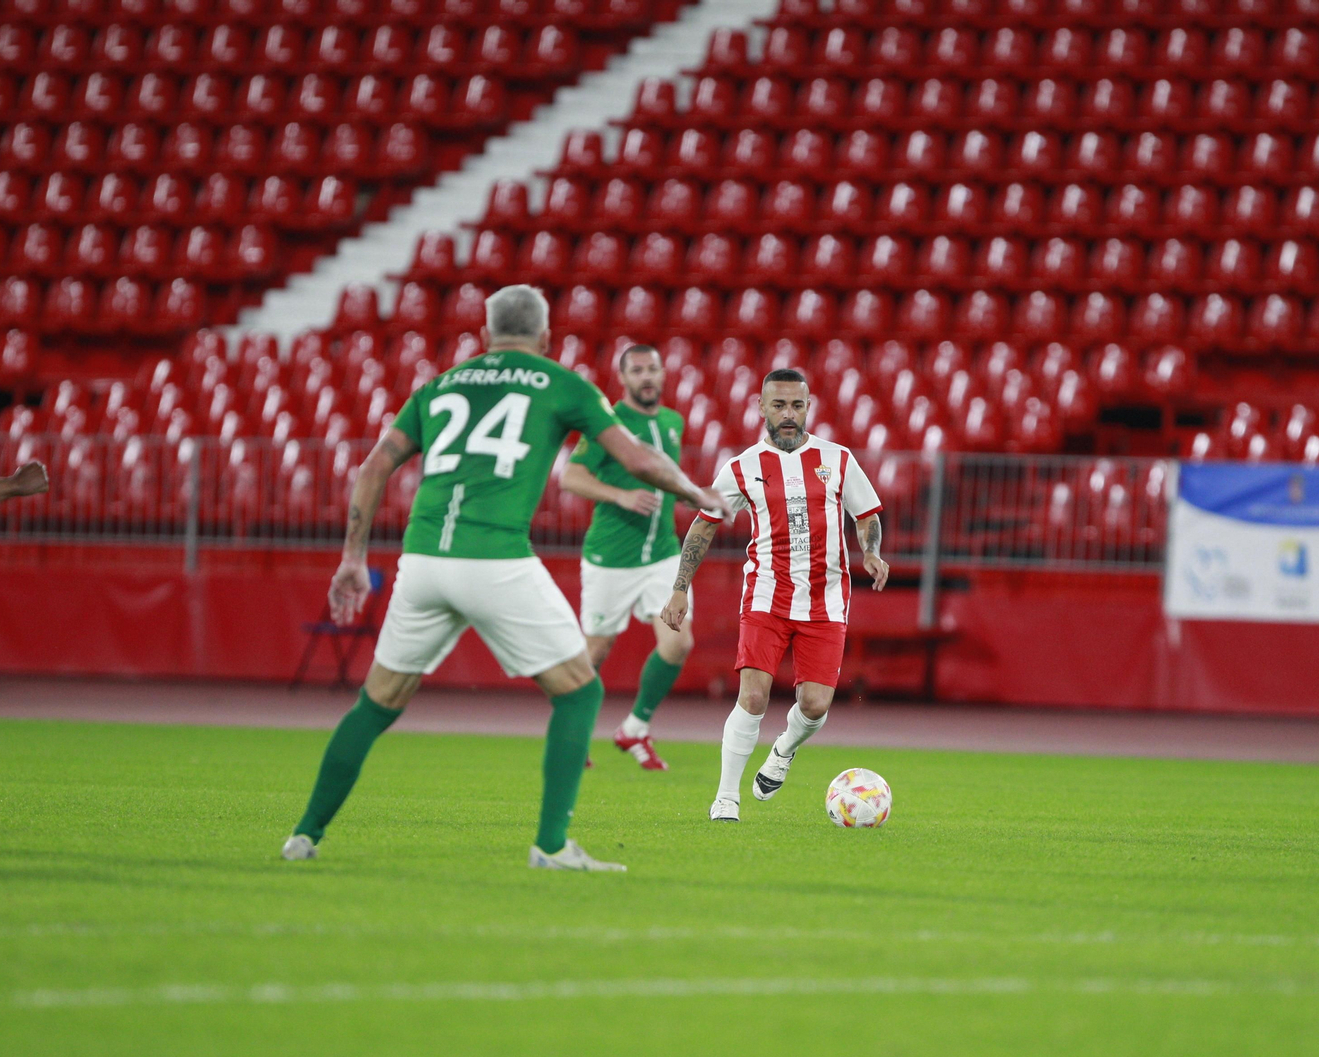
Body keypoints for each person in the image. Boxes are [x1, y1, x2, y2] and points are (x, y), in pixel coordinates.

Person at [282, 286, 729, 871]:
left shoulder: (440, 385)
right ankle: (551, 846)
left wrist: (351, 558)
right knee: (581, 690)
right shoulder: (561, 383)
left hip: (422, 562)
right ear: (545, 337)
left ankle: (305, 835)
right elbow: (639, 459)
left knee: (378, 702)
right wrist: (697, 493)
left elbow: (374, 466)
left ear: (485, 335)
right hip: (494, 558)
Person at [660, 368, 889, 822]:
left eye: (797, 405)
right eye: (779, 405)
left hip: (826, 598)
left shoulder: (838, 459)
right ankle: (726, 797)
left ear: (808, 408)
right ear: (761, 406)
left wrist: (871, 551)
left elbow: (866, 515)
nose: (789, 414)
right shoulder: (742, 467)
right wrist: (680, 588)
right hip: (766, 595)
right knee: (753, 696)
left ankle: (783, 750)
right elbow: (704, 525)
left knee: (815, 705)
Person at [561, 343, 689, 771]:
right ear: (623, 378)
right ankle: (571, 734)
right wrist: (620, 495)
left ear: (663, 373)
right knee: (595, 650)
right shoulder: (607, 424)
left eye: (652, 368)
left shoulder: (673, 422)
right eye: (637, 370)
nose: (646, 376)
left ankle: (634, 727)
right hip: (611, 556)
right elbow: (571, 476)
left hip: (663, 554)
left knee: (678, 642)